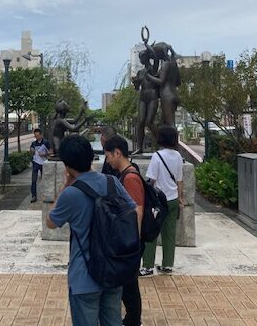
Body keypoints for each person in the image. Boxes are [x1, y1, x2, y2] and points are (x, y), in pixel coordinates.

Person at [46, 135, 136, 326]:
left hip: (84, 276)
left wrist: (65, 185)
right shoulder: (112, 182)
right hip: (113, 269)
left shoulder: (70, 194)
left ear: (67, 166)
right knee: (113, 322)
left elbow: (51, 222)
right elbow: (132, 210)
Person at [103, 135, 145, 326]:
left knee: (130, 288)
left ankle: (133, 321)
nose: (107, 160)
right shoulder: (124, 174)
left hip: (130, 244)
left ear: (117, 153)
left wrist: (131, 244)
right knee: (128, 286)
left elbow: (137, 211)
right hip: (128, 242)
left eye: (108, 156)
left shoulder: (130, 177)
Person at [140, 126, 185, 276]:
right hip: (172, 199)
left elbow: (152, 180)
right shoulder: (178, 156)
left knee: (151, 231)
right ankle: (167, 265)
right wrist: (181, 198)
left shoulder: (157, 156)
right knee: (169, 233)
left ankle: (147, 267)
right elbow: (179, 180)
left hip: (159, 201)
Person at [146, 42, 181, 127]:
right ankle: (164, 139)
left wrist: (149, 76)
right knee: (163, 124)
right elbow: (178, 82)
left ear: (159, 54)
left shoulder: (165, 64)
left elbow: (161, 81)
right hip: (174, 94)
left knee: (170, 124)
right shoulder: (174, 63)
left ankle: (173, 140)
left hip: (166, 96)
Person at [29, 128, 51, 203]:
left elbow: (51, 152)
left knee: (44, 179)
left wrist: (44, 154)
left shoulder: (46, 142)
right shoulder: (33, 143)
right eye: (35, 136)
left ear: (41, 135)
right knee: (33, 180)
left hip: (43, 163)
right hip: (35, 163)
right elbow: (31, 152)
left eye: (38, 136)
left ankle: (46, 194)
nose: (37, 137)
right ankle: (34, 196)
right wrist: (31, 151)